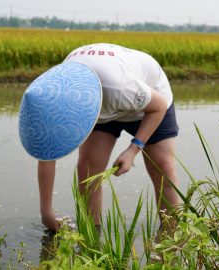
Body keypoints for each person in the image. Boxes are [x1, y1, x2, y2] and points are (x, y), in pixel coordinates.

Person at [21, 43, 179, 232]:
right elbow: (48, 152)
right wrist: (46, 213)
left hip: (148, 105)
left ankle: (172, 234)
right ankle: (91, 235)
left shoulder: (119, 87)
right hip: (98, 101)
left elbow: (158, 106)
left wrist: (133, 149)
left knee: (162, 169)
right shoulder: (52, 95)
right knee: (87, 167)